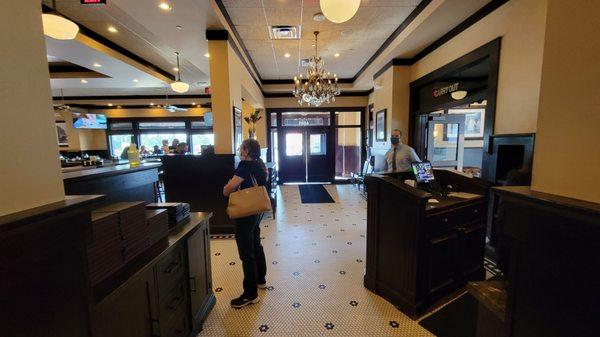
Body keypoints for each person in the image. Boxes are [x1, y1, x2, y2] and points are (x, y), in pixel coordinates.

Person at [223, 138, 268, 309]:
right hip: (257, 210)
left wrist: (226, 186)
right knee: (256, 244)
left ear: (246, 151)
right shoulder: (259, 165)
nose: (239, 150)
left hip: (244, 214)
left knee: (246, 253)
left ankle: (250, 294)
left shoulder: (244, 167)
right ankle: (260, 279)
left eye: (241, 148)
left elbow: (227, 190)